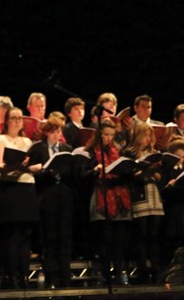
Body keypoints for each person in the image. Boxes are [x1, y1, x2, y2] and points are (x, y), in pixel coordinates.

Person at [0, 107, 40, 289]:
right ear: (7, 121)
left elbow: (36, 164)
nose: (18, 121)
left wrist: (29, 167)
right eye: (14, 118)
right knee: (12, 236)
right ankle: (11, 277)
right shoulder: (1, 139)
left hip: (27, 188)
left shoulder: (27, 141)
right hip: (10, 189)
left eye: (20, 118)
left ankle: (24, 276)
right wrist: (15, 166)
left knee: (26, 235)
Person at [81, 119, 131, 284]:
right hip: (101, 195)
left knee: (119, 239)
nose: (109, 138)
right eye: (106, 135)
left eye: (112, 135)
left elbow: (125, 172)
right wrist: (95, 170)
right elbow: (82, 175)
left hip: (118, 196)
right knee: (105, 239)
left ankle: (118, 274)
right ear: (99, 135)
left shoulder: (118, 150)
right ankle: (106, 275)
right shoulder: (90, 151)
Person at [28, 118, 74, 288]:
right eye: (53, 132)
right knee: (50, 237)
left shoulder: (66, 149)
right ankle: (52, 278)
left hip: (64, 196)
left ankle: (65, 278)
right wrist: (47, 170)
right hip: (47, 196)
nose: (56, 135)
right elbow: (32, 172)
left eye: (58, 131)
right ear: (46, 132)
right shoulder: (38, 148)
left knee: (65, 237)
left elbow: (72, 173)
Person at [122, 122, 164, 284]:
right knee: (141, 236)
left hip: (154, 197)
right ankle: (143, 271)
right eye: (145, 135)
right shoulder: (130, 152)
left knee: (154, 236)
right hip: (140, 198)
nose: (148, 139)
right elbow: (134, 176)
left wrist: (157, 170)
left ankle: (156, 270)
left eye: (149, 136)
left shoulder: (154, 153)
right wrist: (148, 170)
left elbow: (160, 177)